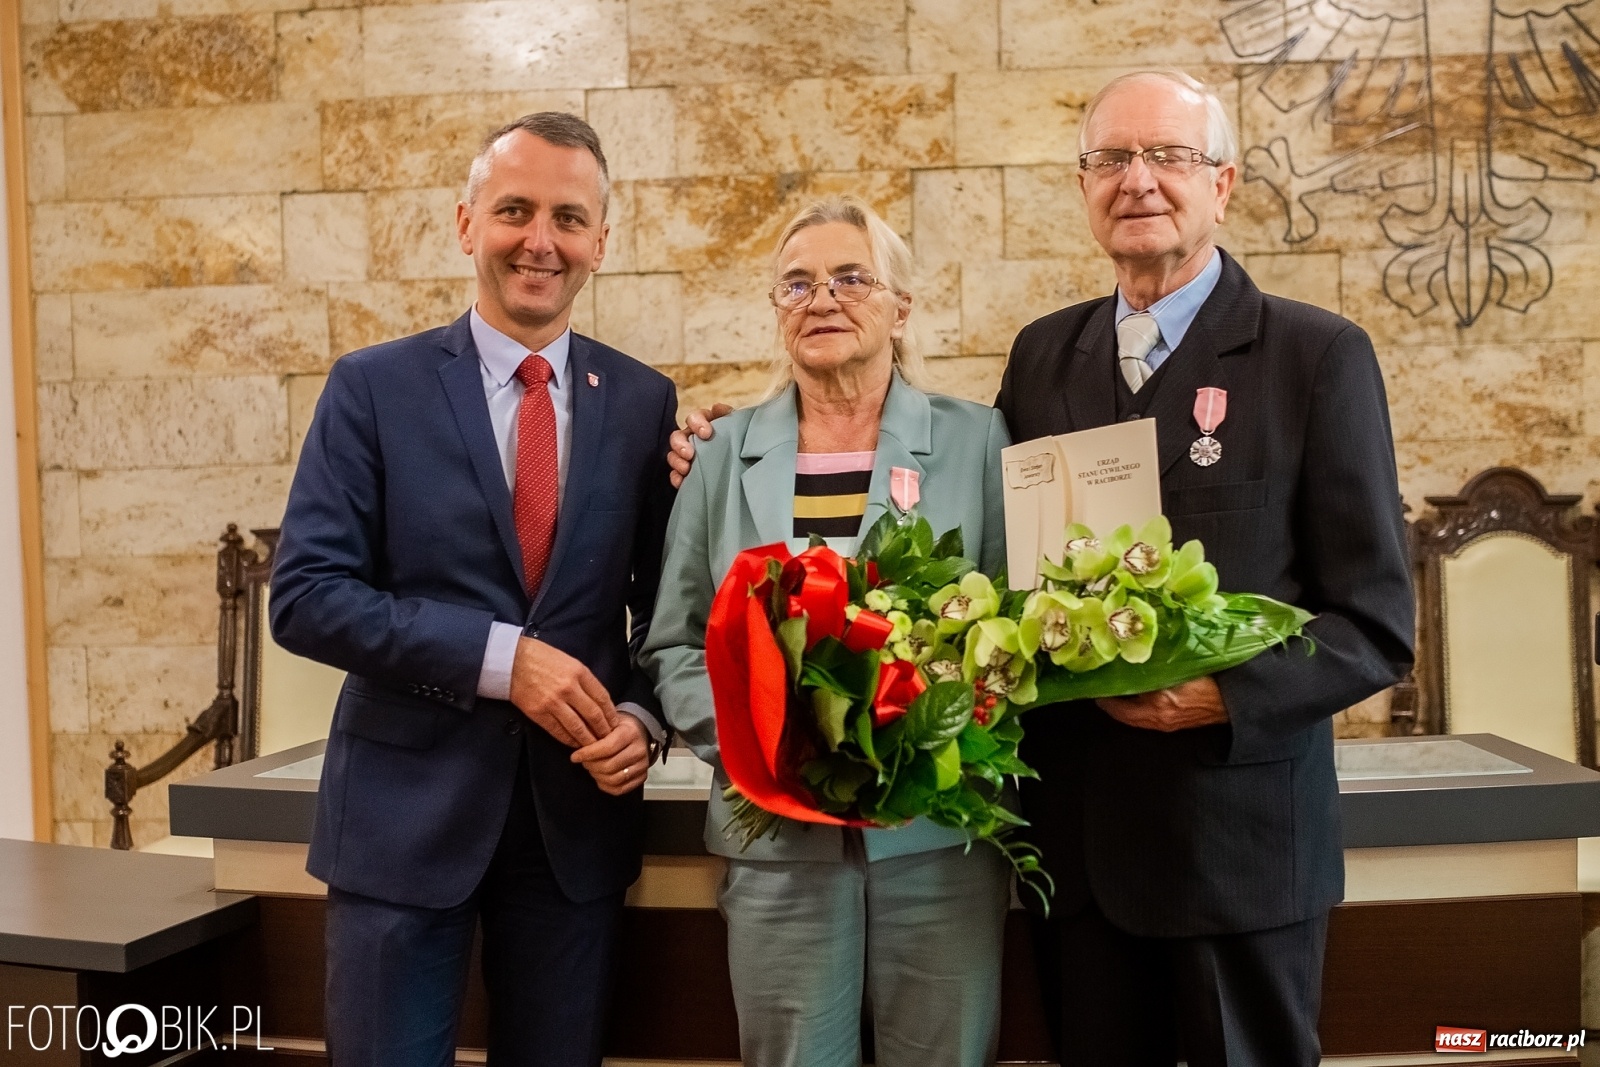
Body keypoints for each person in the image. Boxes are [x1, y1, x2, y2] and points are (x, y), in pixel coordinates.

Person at [668, 71, 1414, 1067]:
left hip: (1236, 853)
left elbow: (1374, 623)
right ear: (1083, 184)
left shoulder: (1315, 356)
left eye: (1168, 156)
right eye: (1111, 159)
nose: (1137, 179)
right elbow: (997, 573)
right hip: (1080, 860)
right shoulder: (1046, 358)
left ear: (1223, 182)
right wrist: (719, 440)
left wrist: (1219, 694)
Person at [270, 113, 678, 1067]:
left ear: (601, 243)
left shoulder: (643, 402)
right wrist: (503, 660)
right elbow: (306, 594)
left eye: (568, 218)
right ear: (466, 224)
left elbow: (667, 609)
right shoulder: (371, 388)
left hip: (573, 830)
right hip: (399, 825)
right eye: (514, 210)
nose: (541, 240)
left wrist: (641, 714)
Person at [642, 195, 1013, 1067]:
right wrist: (767, 744)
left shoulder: (978, 441)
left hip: (937, 839)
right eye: (797, 283)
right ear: (777, 309)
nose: (822, 299)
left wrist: (932, 738)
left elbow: (1015, 632)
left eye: (851, 278)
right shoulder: (720, 453)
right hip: (777, 843)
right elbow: (674, 641)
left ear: (900, 307)